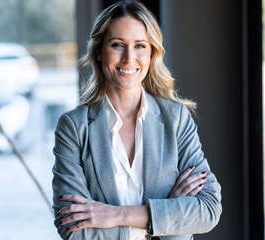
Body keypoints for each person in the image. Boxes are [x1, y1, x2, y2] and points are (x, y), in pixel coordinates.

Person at [52, 1, 222, 239]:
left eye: (140, 46)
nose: (129, 58)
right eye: (117, 45)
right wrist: (161, 217)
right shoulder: (73, 128)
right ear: (99, 52)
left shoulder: (177, 120)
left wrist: (115, 215)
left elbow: (208, 209)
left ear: (152, 53)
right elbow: (72, 228)